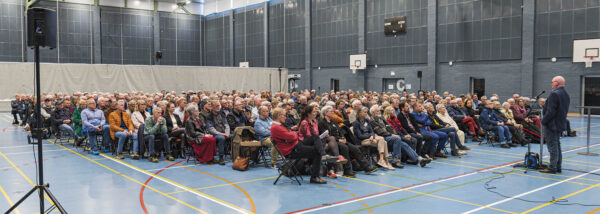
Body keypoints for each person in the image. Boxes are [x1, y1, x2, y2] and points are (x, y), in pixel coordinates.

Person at [270, 107, 332, 184]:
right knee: (316, 152)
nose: (285, 117)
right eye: (284, 115)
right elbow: (292, 136)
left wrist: (293, 133)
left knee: (315, 137)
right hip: (292, 150)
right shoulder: (276, 127)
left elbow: (291, 134)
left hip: (295, 145)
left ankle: (322, 155)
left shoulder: (279, 125)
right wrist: (294, 133)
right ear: (279, 115)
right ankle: (315, 176)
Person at [540, 76, 570, 174]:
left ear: (556, 83)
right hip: (560, 123)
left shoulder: (554, 94)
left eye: (552, 82)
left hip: (552, 124)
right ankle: (558, 166)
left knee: (552, 146)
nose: (551, 84)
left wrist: (543, 121)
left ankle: (552, 167)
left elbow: (551, 112)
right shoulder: (565, 94)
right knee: (557, 145)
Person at [206, 101, 230, 165]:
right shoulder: (209, 116)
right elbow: (211, 129)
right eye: (217, 106)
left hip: (224, 132)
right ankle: (221, 157)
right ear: (212, 107)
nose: (218, 107)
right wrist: (222, 134)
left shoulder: (222, 114)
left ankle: (235, 155)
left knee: (235, 136)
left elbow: (226, 125)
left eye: (219, 105)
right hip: (214, 134)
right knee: (221, 138)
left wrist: (227, 133)